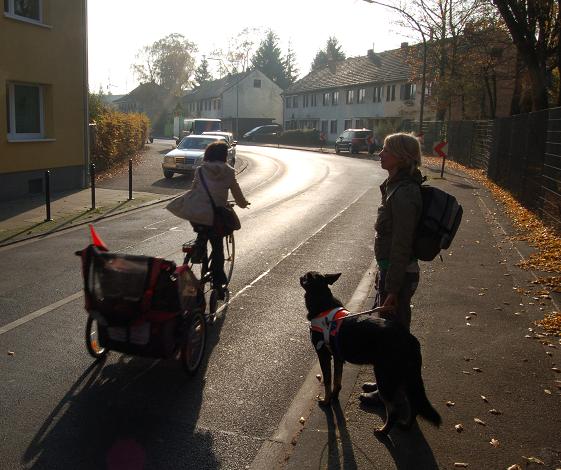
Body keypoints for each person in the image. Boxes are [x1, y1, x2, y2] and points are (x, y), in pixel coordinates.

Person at [361, 132, 423, 403]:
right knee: (388, 333)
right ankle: (387, 383)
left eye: (385, 150)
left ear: (400, 156)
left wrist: (393, 289)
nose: (380, 153)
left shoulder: (405, 193)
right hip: (391, 271)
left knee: (393, 336)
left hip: (398, 275)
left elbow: (402, 244)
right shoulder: (395, 186)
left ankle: (392, 392)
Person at [190, 141, 250, 299]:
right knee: (217, 246)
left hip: (199, 214)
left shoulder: (200, 170)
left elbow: (194, 190)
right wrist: (243, 204)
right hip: (216, 217)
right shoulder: (229, 171)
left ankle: (199, 249)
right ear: (224, 155)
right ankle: (218, 283)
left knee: (202, 234)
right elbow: (237, 193)